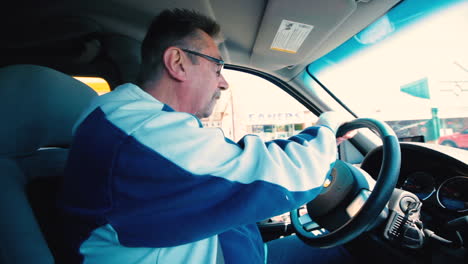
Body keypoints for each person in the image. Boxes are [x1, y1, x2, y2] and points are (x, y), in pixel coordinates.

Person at [59, 8, 353, 264]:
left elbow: (233, 168)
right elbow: (285, 176)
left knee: (338, 251)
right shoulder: (139, 133)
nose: (223, 82)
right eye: (217, 66)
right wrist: (326, 127)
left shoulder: (133, 125)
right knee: (347, 253)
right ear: (178, 62)